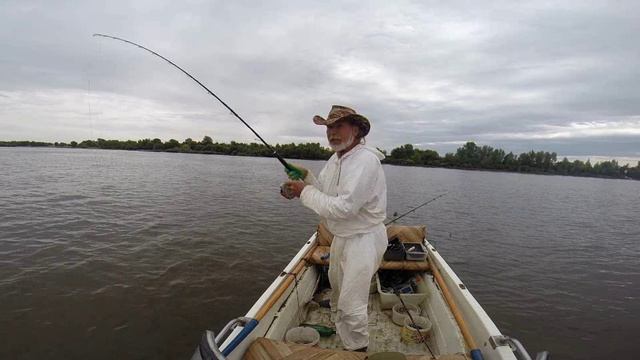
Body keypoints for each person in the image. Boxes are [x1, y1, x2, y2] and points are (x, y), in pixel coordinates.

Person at [282, 105, 387, 352]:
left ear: (358, 129)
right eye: (329, 128)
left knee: (352, 303)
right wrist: (306, 177)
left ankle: (357, 349)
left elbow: (344, 208)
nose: (332, 133)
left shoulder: (365, 161)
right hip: (343, 236)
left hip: (363, 239)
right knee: (337, 287)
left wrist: (303, 191)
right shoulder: (336, 158)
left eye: (338, 126)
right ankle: (342, 326)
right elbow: (326, 192)